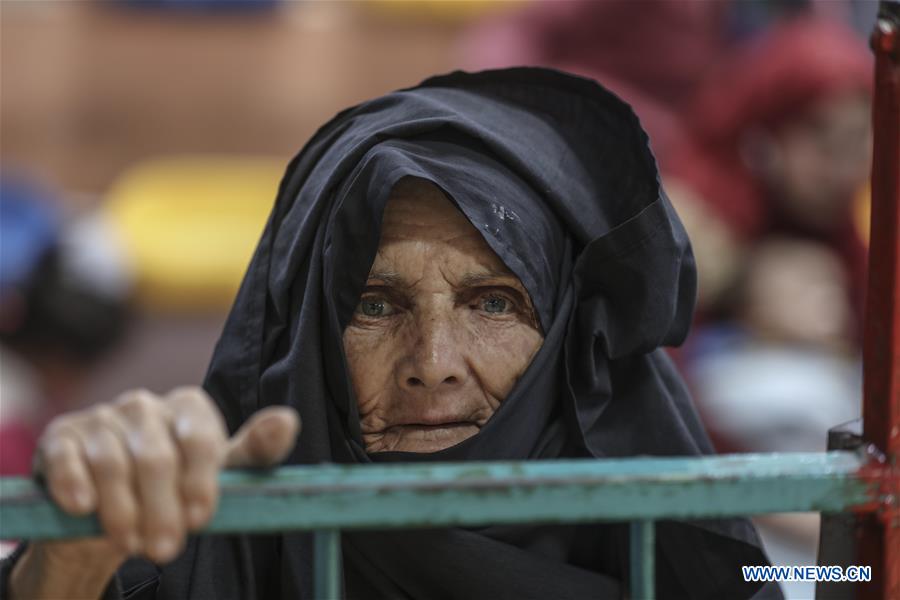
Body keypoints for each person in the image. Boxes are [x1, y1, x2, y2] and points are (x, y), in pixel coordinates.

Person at [3, 68, 777, 599]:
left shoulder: (677, 557)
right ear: (309, 332)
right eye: (374, 306)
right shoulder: (194, 555)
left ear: (567, 337)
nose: (432, 365)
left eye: (494, 304)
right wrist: (70, 557)